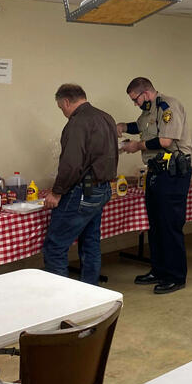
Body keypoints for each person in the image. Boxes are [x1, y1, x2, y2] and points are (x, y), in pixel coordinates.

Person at [117, 77, 192, 295]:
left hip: (173, 173)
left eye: (136, 99)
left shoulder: (168, 106)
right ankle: (159, 270)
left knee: (170, 225)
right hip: (156, 172)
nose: (135, 104)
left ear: (146, 93)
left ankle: (176, 276)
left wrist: (136, 146)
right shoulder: (149, 110)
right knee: (156, 225)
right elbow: (141, 126)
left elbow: (165, 141)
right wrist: (123, 127)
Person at [43, 83, 118, 285]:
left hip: (82, 192)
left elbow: (71, 164)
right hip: (102, 188)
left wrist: (57, 193)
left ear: (66, 102)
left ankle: (61, 297)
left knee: (55, 247)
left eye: (61, 108)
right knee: (90, 243)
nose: (63, 113)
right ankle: (90, 292)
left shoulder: (77, 123)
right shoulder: (106, 117)